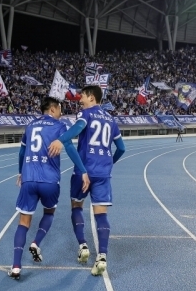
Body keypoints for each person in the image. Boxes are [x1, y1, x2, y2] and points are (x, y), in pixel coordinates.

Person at [47, 85, 126, 276]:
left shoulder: (86, 114)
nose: (79, 99)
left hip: (83, 171)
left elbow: (78, 128)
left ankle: (83, 245)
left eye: (82, 96)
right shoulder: (111, 119)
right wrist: (109, 164)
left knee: (76, 207)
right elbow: (121, 148)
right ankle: (102, 256)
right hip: (103, 173)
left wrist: (60, 139)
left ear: (91, 97)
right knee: (101, 215)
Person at [9, 96, 90, 280]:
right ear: (52, 109)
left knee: (23, 223)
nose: (61, 113)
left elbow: (22, 151)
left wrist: (21, 172)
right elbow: (69, 148)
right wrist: (83, 171)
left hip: (29, 179)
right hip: (50, 181)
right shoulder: (59, 127)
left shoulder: (29, 126)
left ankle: (15, 267)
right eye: (60, 109)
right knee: (49, 213)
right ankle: (36, 243)